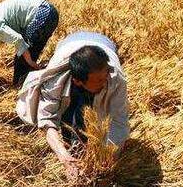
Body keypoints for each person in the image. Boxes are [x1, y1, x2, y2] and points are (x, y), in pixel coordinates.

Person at [16, 31, 130, 178]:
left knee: (96, 108)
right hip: (68, 44)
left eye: (106, 75)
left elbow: (118, 122)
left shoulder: (114, 78)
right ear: (77, 81)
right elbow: (47, 120)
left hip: (104, 44)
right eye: (99, 81)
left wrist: (107, 157)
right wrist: (64, 157)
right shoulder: (54, 81)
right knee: (69, 110)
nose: (105, 81)